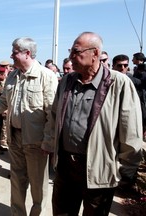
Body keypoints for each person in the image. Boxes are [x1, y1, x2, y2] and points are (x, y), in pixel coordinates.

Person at [49, 32, 142, 216]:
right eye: (70, 52)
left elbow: (131, 129)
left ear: (95, 53)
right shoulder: (67, 81)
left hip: (99, 170)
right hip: (66, 167)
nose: (70, 58)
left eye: (76, 52)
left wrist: (125, 170)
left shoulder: (119, 83)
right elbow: (54, 115)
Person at [0, 37, 59, 215]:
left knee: (38, 185)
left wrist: (49, 141)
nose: (11, 55)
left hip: (36, 142)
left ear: (27, 53)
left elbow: (53, 113)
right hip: (15, 137)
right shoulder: (12, 75)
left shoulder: (46, 76)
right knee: (16, 182)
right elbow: (3, 102)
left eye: (15, 52)